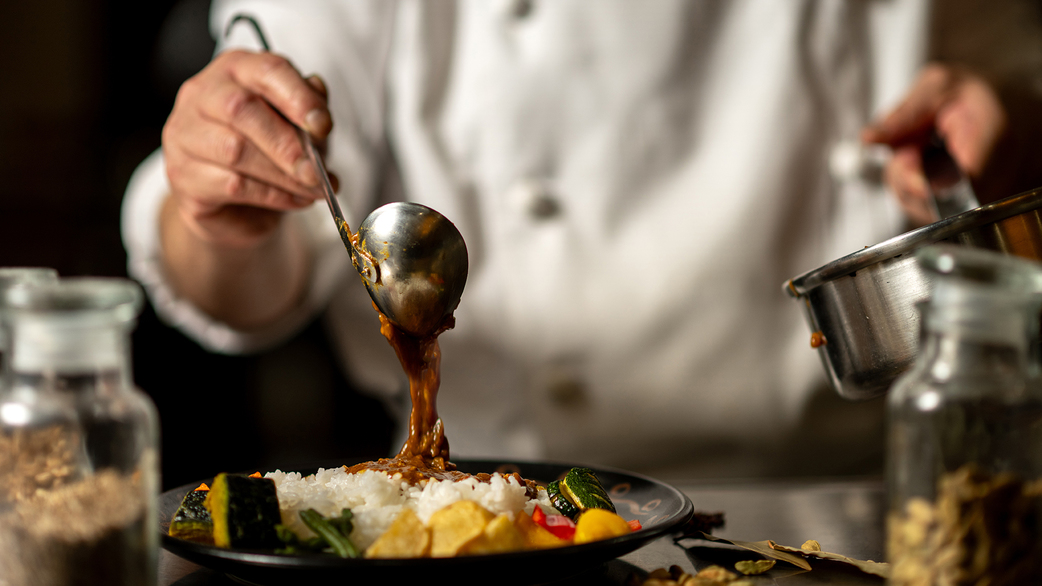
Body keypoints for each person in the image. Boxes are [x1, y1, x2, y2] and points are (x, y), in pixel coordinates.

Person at [122, 0, 1042, 479]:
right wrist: (221, 206)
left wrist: (998, 126)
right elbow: (245, 279)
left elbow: (1006, 76)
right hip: (506, 492)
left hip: (856, 486)